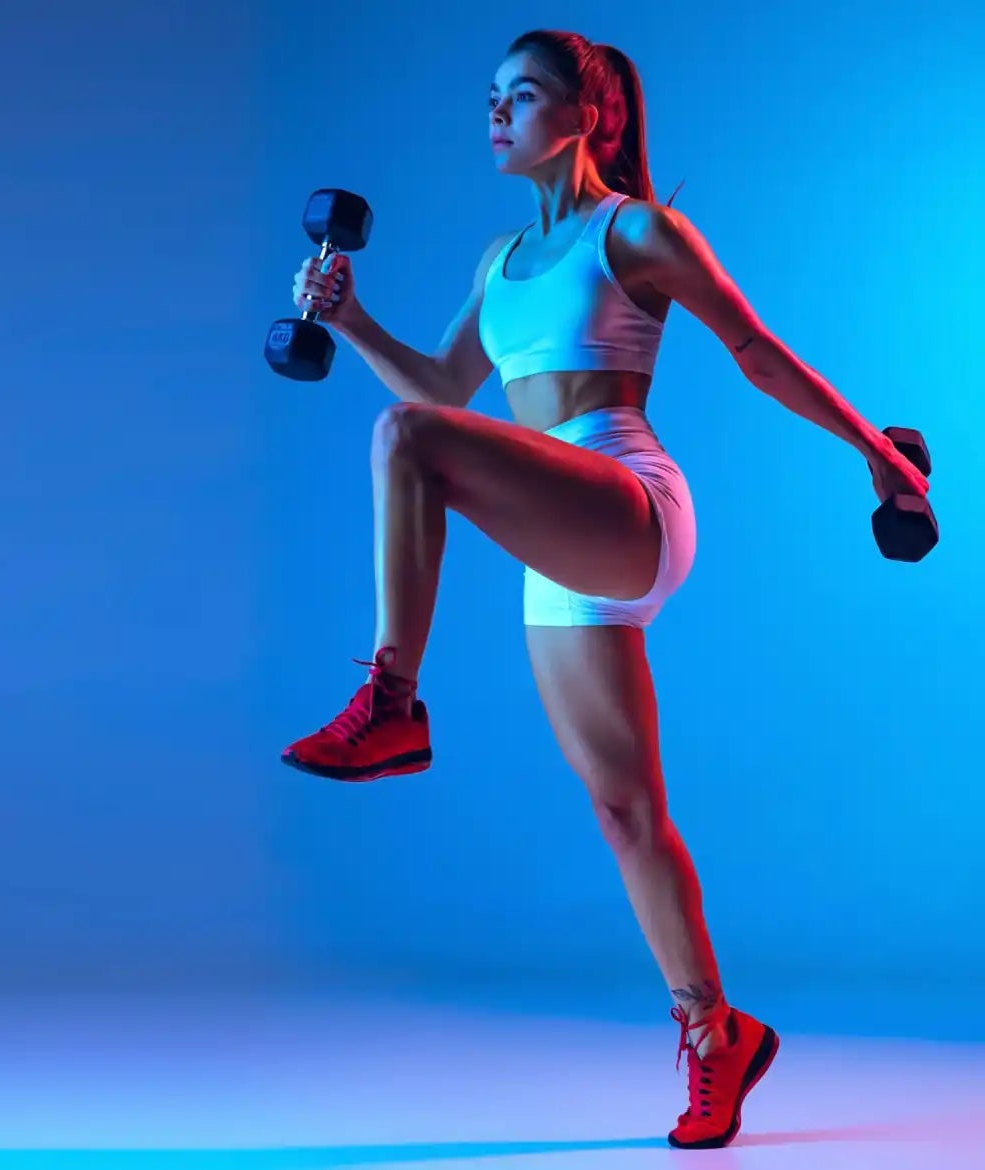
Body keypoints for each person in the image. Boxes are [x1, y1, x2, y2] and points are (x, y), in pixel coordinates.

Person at [277, 29, 931, 1150]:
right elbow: (443, 385)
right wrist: (348, 322)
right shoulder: (497, 262)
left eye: (520, 96)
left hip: (624, 495)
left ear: (590, 117)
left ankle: (390, 702)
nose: (495, 114)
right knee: (624, 810)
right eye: (489, 97)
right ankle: (715, 1034)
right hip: (559, 540)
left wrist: (874, 451)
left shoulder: (634, 230)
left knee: (404, 438)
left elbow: (755, 350)